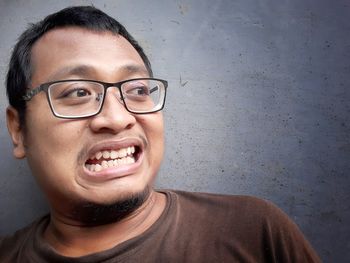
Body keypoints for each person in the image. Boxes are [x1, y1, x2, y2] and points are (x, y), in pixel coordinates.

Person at [0, 5, 321, 262]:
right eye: (78, 92)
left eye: (138, 89)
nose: (118, 117)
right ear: (18, 129)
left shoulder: (254, 231)